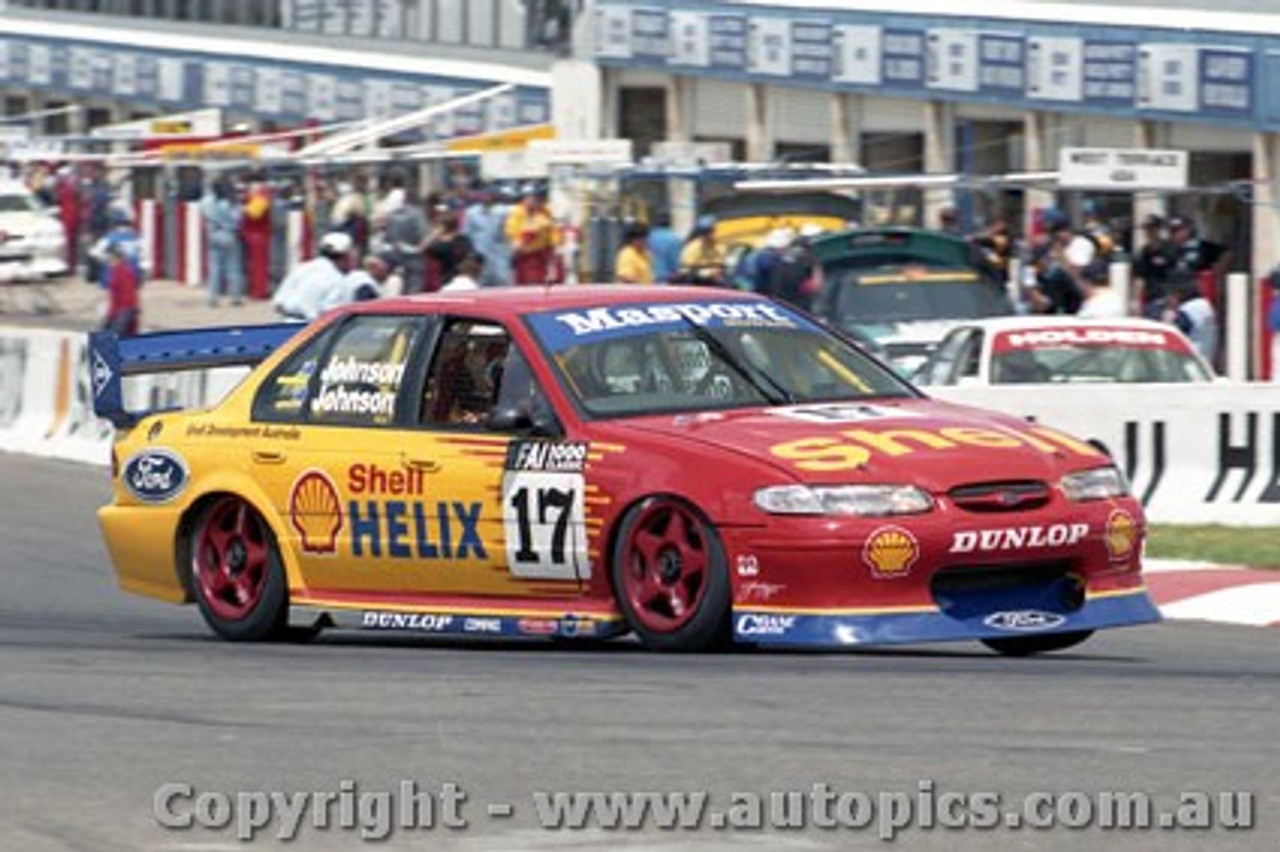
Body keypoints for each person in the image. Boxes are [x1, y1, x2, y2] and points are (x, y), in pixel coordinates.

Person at [273, 232, 356, 322]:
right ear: (346, 256)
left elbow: (278, 304)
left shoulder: (301, 269)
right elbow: (335, 316)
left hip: (284, 325)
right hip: (312, 330)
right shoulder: (337, 279)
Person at [200, 178, 245, 307]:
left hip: (213, 234)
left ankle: (212, 298)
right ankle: (235, 297)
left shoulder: (207, 201)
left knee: (214, 268)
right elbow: (238, 219)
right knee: (234, 267)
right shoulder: (232, 202)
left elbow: (203, 213)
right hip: (229, 234)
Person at [505, 186, 558, 285]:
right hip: (524, 259)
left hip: (542, 258)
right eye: (532, 198)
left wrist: (552, 265)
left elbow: (553, 241)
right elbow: (516, 245)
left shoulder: (545, 213)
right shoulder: (517, 213)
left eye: (539, 199)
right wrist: (529, 234)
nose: (536, 201)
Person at [1165, 272, 1218, 364]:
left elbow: (1173, 336)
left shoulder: (1187, 310)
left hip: (1189, 361)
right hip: (1206, 358)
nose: (1169, 299)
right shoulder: (1205, 305)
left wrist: (1167, 322)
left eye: (1171, 295)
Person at [462, 188, 512, 287]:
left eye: (489, 195)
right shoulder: (471, 213)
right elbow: (466, 235)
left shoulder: (505, 211)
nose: (486, 197)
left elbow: (512, 231)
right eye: (484, 195)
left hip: (500, 258)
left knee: (503, 287)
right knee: (480, 287)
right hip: (480, 258)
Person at [1133, 214, 1175, 319]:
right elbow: (1140, 278)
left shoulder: (1169, 248)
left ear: (1158, 229)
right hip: (1149, 299)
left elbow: (1174, 275)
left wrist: (1172, 303)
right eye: (1146, 228)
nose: (1148, 232)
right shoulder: (1144, 252)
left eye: (1151, 228)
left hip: (1165, 298)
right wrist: (1136, 301)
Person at [425, 210, 475, 289]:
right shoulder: (463, 240)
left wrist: (433, 235)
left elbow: (424, 248)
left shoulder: (441, 245)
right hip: (455, 279)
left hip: (452, 281)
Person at [102, 242, 140, 337]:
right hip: (117, 311)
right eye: (109, 259)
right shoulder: (115, 272)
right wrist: (109, 315)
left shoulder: (125, 272)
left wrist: (122, 316)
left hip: (125, 311)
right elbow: (114, 298)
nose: (109, 261)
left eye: (111, 259)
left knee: (117, 337)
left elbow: (129, 296)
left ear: (119, 259)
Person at [678, 215, 727, 285]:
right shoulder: (692, 249)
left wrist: (718, 271)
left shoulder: (719, 246)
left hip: (715, 282)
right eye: (704, 232)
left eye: (710, 231)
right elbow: (685, 271)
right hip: (698, 282)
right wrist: (706, 273)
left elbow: (721, 265)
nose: (708, 235)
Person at [647, 212, 683, 284]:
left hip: (649, 280)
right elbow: (676, 262)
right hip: (668, 280)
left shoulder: (648, 237)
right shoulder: (674, 239)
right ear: (670, 223)